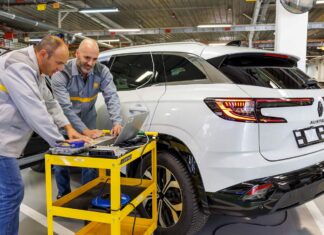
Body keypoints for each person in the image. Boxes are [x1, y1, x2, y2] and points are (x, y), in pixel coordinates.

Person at [0, 35, 89, 235]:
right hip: (1, 142)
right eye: (58, 63)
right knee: (12, 192)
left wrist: (68, 127)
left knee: (7, 194)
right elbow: (35, 110)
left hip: (6, 141)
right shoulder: (19, 66)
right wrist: (60, 143)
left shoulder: (36, 70)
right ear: (43, 54)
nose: (60, 69)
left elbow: (50, 102)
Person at [51, 38, 123, 198]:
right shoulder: (61, 74)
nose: (91, 63)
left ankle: (87, 195)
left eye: (95, 59)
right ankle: (64, 195)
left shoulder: (101, 71)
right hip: (65, 125)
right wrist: (85, 131)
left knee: (90, 163)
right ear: (77, 54)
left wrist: (117, 121)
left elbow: (111, 96)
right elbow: (65, 109)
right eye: (86, 58)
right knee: (61, 163)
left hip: (88, 122)